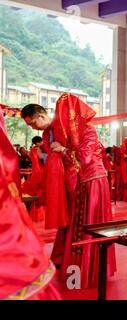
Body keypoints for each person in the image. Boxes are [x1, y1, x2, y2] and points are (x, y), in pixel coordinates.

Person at [21, 94, 116, 289]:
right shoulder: (50, 134)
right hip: (72, 183)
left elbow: (84, 158)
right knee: (72, 224)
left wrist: (63, 150)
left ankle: (86, 270)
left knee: (85, 225)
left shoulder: (87, 130)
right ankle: (67, 263)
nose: (33, 129)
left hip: (92, 181)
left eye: (33, 124)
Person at [0, 110, 61, 300]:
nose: (32, 127)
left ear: (41, 115)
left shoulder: (58, 130)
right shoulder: (41, 142)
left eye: (33, 123)